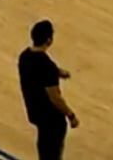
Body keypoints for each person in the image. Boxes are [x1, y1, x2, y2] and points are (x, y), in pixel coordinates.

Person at [18, 20, 79, 160]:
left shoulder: (25, 56)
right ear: (49, 40)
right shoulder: (47, 66)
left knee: (43, 148)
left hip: (35, 111)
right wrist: (71, 115)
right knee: (52, 154)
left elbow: (36, 71)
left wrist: (57, 72)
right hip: (51, 119)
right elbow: (55, 97)